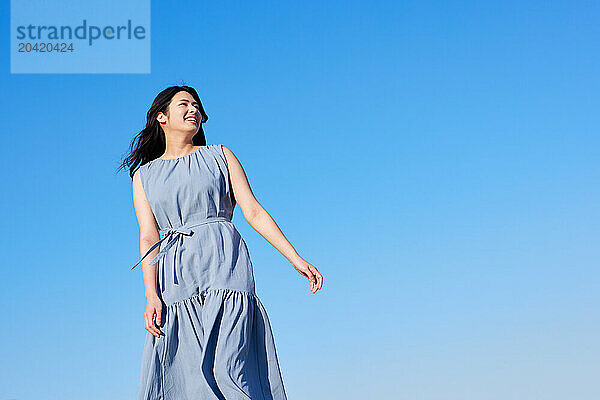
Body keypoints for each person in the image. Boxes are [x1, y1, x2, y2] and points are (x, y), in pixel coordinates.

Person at [119, 85, 323, 399]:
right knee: (189, 374)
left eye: (197, 105)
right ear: (162, 116)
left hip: (224, 262)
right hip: (177, 277)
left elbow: (253, 211)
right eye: (184, 104)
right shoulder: (144, 176)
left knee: (229, 366)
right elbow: (149, 236)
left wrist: (295, 259)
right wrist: (151, 294)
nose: (194, 110)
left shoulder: (220, 156)